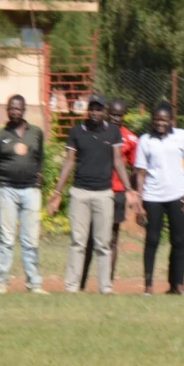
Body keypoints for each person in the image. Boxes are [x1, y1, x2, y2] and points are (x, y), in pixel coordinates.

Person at [46, 94, 138, 294]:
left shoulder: (113, 132)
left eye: (99, 109)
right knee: (78, 241)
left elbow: (118, 161)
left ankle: (105, 287)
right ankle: (71, 286)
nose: (95, 112)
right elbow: (69, 161)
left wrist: (129, 189)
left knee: (103, 243)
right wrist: (57, 192)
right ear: (87, 110)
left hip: (104, 194)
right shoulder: (77, 131)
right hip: (80, 193)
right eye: (92, 109)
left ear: (103, 111)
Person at [135, 102, 184, 295]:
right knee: (152, 240)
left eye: (164, 119)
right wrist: (139, 200)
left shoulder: (182, 136)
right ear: (152, 120)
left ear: (171, 120)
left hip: (178, 195)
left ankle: (177, 286)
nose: (160, 123)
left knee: (178, 241)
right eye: (156, 119)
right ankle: (148, 286)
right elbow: (141, 173)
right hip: (152, 196)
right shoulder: (145, 140)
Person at [0, 95, 47, 294]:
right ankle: (0, 282)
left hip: (31, 190)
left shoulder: (36, 133)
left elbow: (40, 158)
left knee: (30, 240)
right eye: (11, 108)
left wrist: (36, 174)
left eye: (18, 108)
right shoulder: (0, 135)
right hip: (6, 189)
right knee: (6, 238)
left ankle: (34, 284)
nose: (14, 111)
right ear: (7, 110)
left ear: (24, 110)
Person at [81, 98, 138, 289]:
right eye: (112, 114)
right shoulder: (98, 132)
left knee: (112, 239)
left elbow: (136, 167)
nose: (115, 118)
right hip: (96, 189)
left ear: (124, 116)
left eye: (119, 115)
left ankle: (108, 282)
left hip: (117, 194)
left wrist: (131, 189)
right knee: (89, 237)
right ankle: (80, 282)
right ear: (107, 113)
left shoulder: (130, 138)